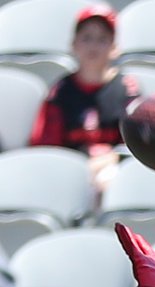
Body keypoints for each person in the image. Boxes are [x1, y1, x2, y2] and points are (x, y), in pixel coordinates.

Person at [29, 4, 141, 196]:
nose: (93, 46)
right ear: (73, 45)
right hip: (67, 174)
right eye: (86, 38)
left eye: (102, 39)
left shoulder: (127, 89)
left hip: (112, 171)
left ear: (115, 47)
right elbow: (46, 146)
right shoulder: (60, 91)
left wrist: (108, 159)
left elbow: (136, 145)